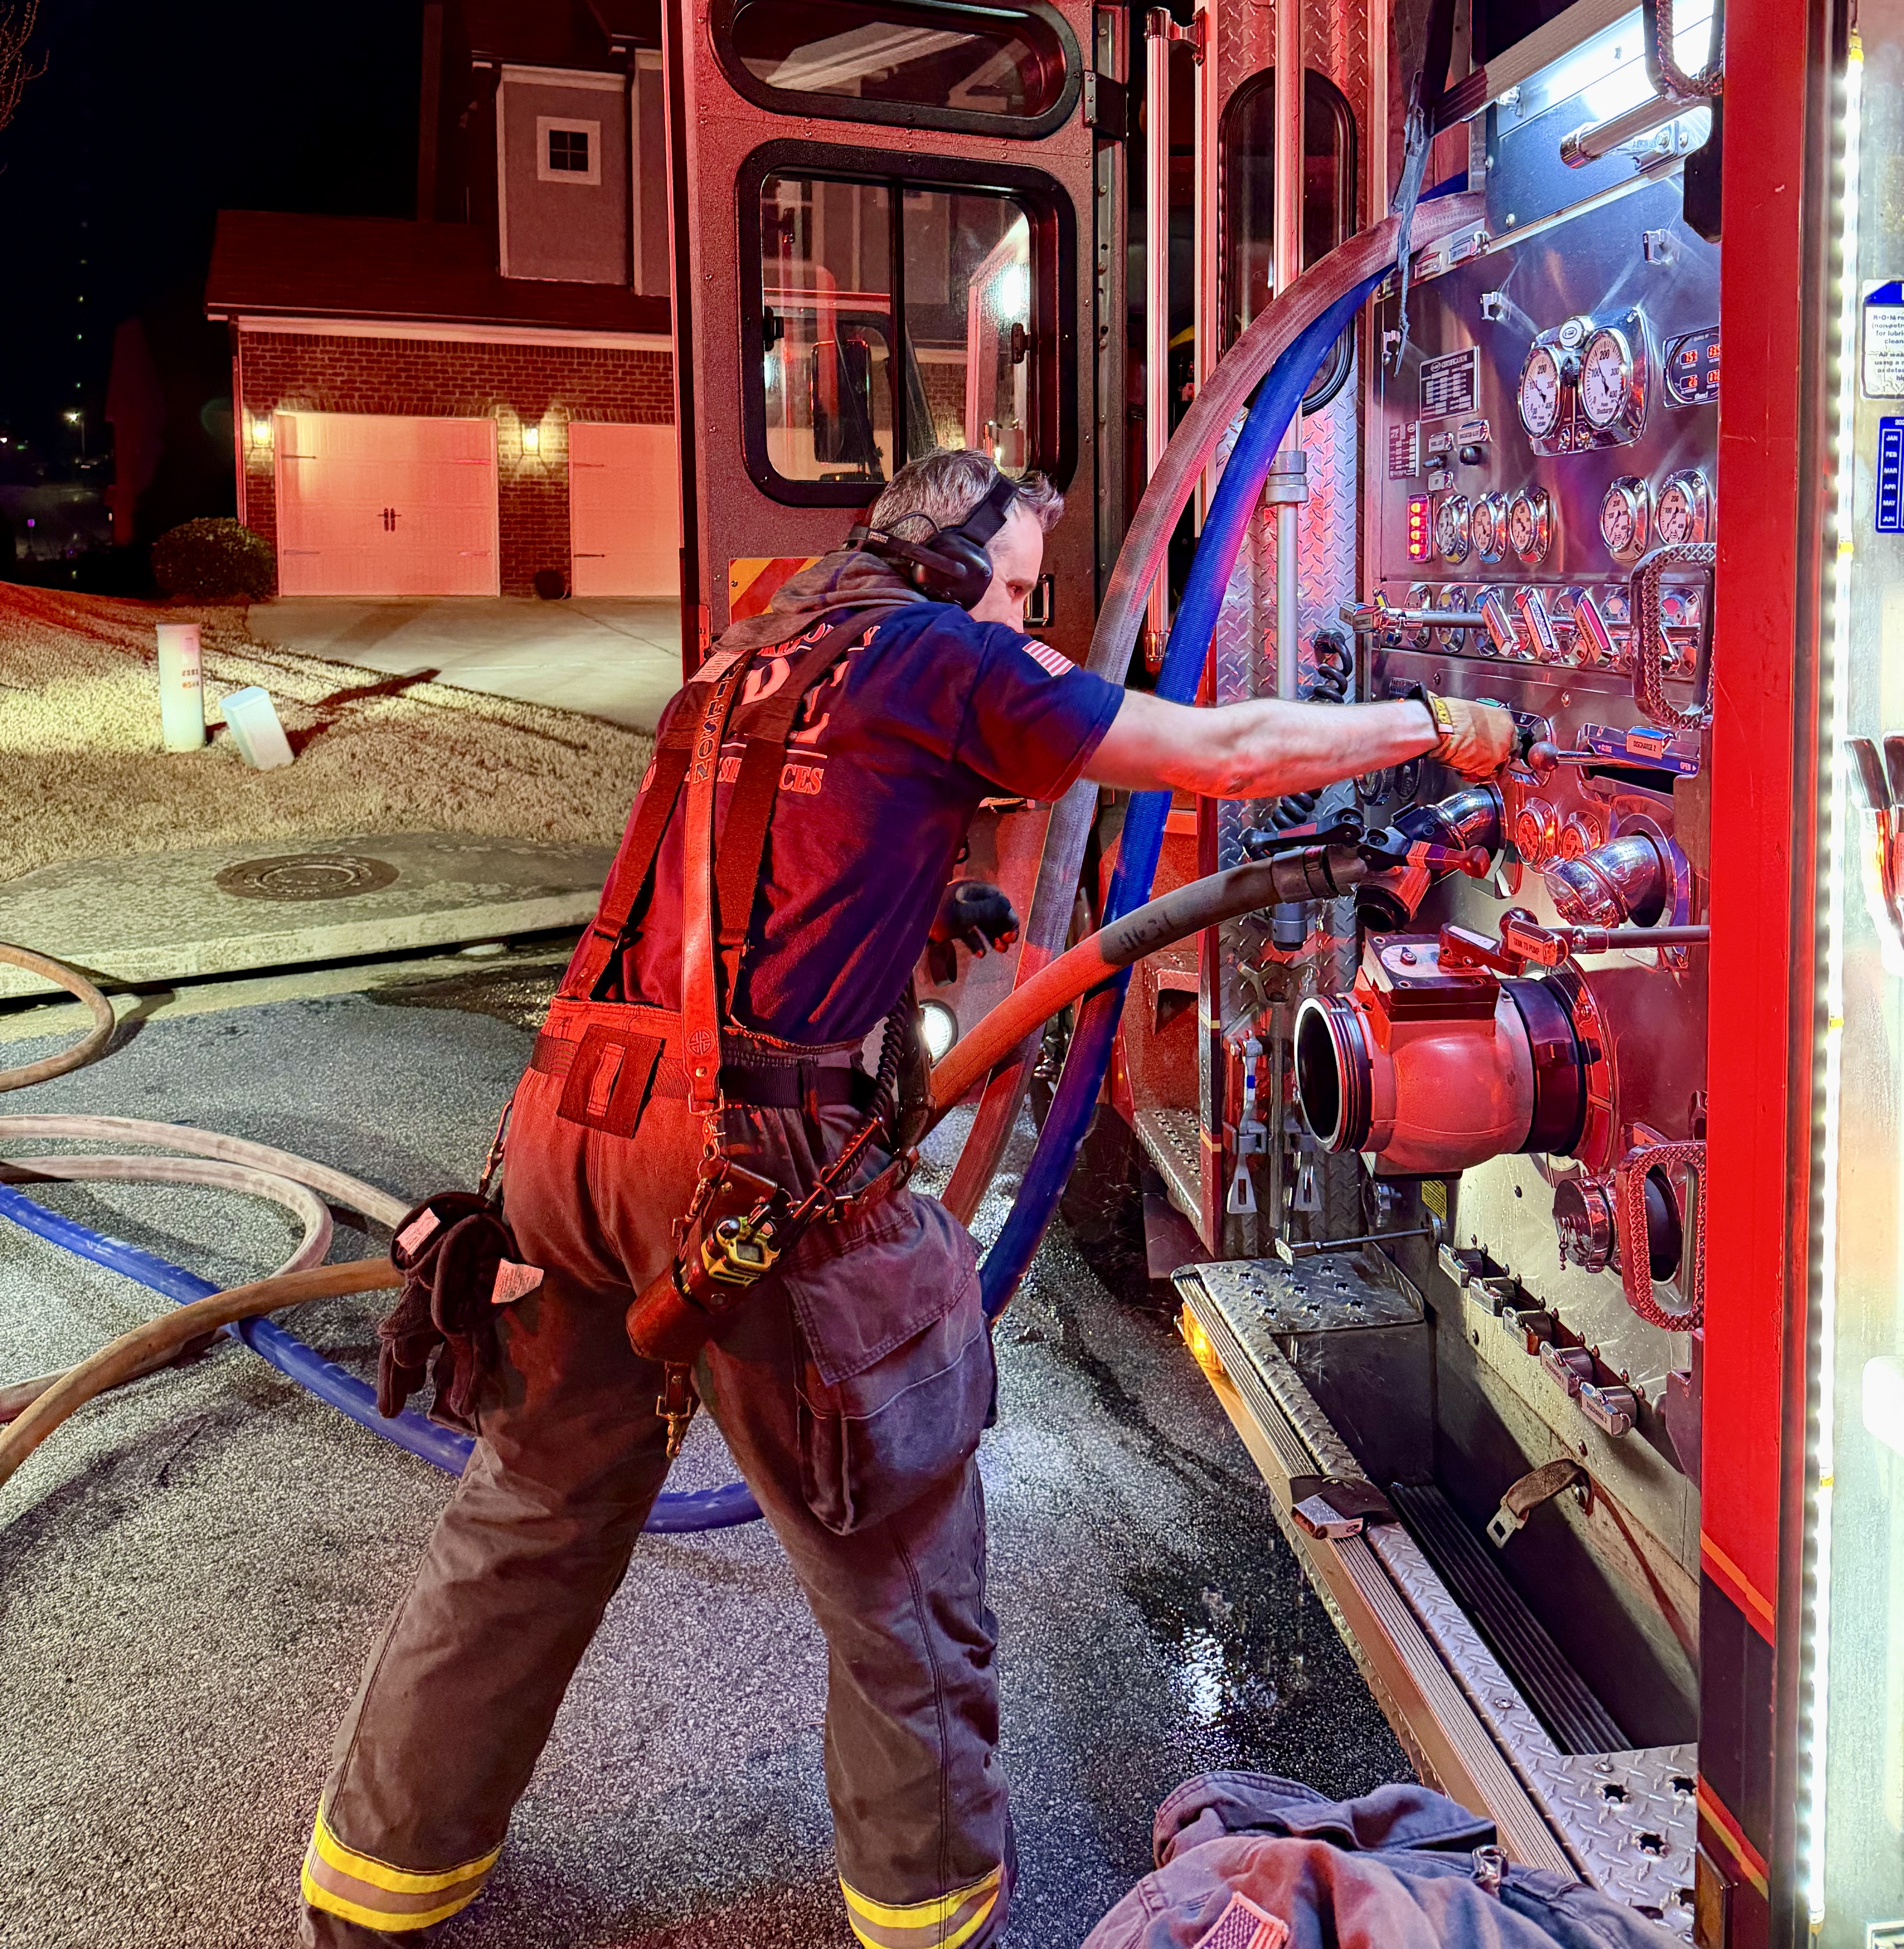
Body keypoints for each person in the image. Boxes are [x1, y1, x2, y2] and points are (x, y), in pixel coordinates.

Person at [296, 448, 1513, 1949]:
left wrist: (919, 896)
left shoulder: (754, 652)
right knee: (898, 1565)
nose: (1023, 627)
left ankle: (375, 1884)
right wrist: (1442, 720)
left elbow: (738, 860)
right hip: (747, 1163)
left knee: (533, 1511)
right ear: (947, 570)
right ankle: (928, 1918)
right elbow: (1229, 752)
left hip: (563, 1135)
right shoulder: (939, 653)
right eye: (1012, 589)